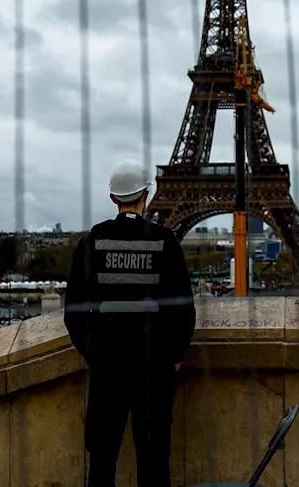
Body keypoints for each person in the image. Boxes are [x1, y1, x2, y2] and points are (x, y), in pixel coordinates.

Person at [65, 158, 196, 487]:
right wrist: (175, 356)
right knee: (153, 459)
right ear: (147, 195)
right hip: (153, 364)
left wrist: (93, 351)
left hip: (108, 362)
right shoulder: (164, 242)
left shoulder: (91, 243)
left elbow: (75, 311)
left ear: (113, 198)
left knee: (103, 457)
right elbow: (183, 306)